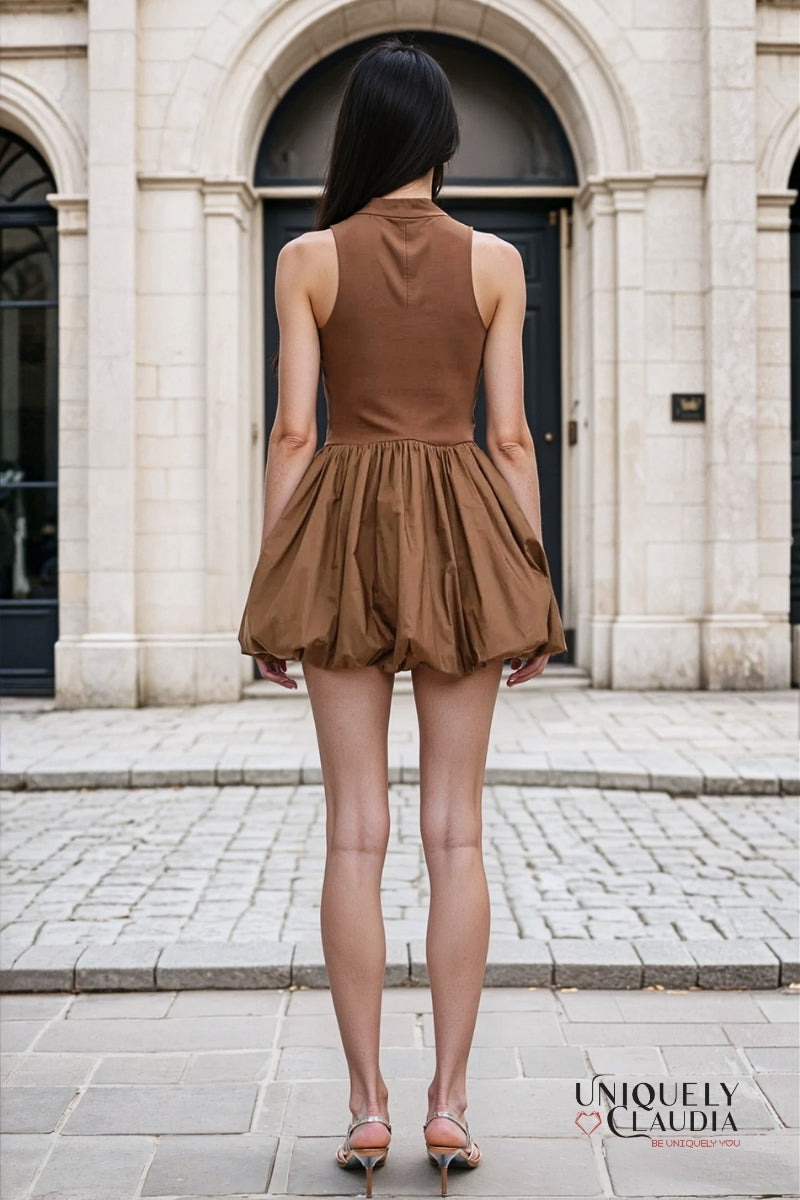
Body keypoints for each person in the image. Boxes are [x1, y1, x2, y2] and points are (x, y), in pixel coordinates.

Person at [238, 34, 567, 1197]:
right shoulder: (495, 262)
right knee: (455, 833)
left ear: (357, 135)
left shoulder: (306, 257)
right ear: (441, 138)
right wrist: (530, 584)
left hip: (339, 535)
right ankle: (450, 1104)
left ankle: (367, 1106)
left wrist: (273, 586)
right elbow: (510, 436)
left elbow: (293, 432)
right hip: (465, 537)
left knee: (354, 834)